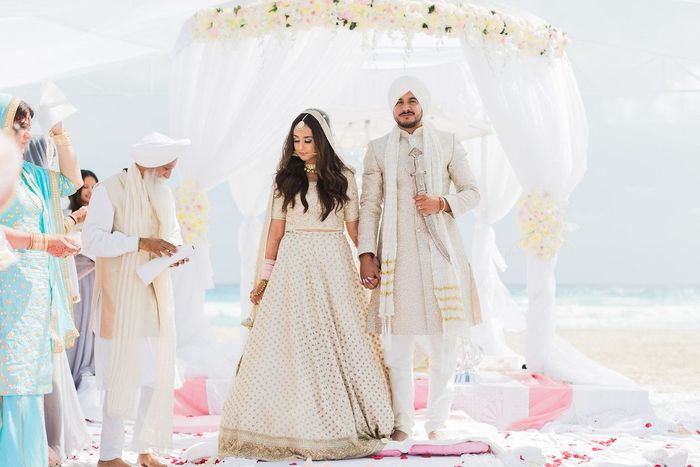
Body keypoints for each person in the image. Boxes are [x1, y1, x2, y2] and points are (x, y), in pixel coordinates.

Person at [218, 110, 393, 461]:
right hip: (293, 265)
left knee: (342, 336)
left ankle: (344, 418)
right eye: (296, 140)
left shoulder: (344, 177)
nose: (300, 146)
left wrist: (368, 258)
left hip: (334, 263)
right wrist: (264, 278)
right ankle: (289, 422)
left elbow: (355, 229)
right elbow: (275, 234)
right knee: (293, 342)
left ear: (323, 139)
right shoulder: (285, 179)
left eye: (307, 140)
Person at [358, 77, 482, 441]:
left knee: (444, 346)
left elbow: (472, 192)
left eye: (412, 100)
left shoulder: (447, 143)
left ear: (423, 104)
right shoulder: (378, 149)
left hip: (441, 255)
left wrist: (442, 203)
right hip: (398, 258)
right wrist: (366, 254)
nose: (405, 106)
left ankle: (436, 424)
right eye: (398, 101)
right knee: (399, 348)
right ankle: (402, 423)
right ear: (391, 108)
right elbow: (369, 204)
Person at [82, 132, 190, 467]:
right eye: (167, 167)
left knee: (155, 377)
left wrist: (176, 251)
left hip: (154, 297)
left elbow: (170, 234)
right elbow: (92, 242)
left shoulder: (162, 193)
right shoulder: (109, 190)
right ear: (151, 163)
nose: (171, 173)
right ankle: (110, 455)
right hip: (120, 299)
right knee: (120, 377)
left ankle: (145, 450)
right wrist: (139, 243)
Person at [0, 94, 83, 466]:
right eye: (20, 124)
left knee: (30, 377)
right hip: (7, 282)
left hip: (35, 287)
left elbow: (71, 181)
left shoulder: (29, 174)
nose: (26, 132)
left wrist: (60, 133)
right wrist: (43, 241)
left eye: (29, 125)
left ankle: (29, 454)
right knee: (11, 375)